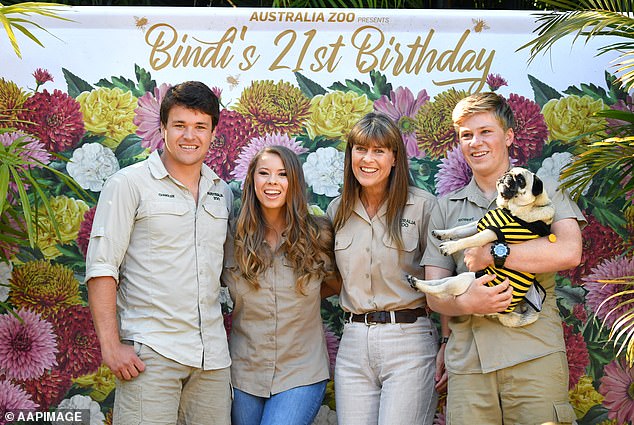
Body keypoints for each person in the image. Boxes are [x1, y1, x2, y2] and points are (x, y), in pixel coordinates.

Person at [422, 92, 585, 425]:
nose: (475, 143)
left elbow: (569, 251)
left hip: (533, 356)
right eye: (466, 135)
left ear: (509, 136)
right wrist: (468, 303)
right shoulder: (446, 207)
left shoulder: (544, 190)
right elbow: (434, 294)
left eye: (485, 131)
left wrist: (495, 253)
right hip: (469, 368)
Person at [86, 81, 232, 425]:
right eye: (179, 125)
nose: (189, 136)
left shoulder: (220, 192)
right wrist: (111, 346)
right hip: (152, 355)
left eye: (200, 127)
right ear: (162, 127)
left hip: (212, 360)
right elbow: (102, 267)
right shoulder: (128, 184)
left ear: (213, 132)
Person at [327, 112, 441, 425]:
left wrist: (446, 342)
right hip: (353, 343)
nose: (368, 159)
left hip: (409, 340)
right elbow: (333, 278)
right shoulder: (336, 210)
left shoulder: (423, 206)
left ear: (394, 158)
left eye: (379, 151)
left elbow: (443, 278)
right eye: (360, 149)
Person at [223, 145, 340, 425]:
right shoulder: (230, 237)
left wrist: (304, 298)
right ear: (252, 181)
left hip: (301, 371)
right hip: (244, 374)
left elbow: (336, 284)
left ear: (295, 182)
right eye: (264, 173)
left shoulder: (318, 235)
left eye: (282, 174)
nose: (272, 181)